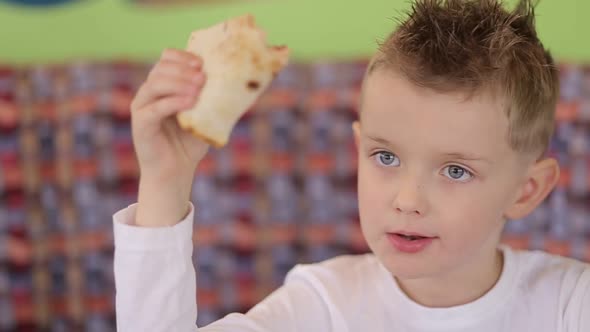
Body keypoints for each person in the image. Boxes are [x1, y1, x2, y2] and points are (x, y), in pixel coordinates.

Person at [112, 0, 590, 331]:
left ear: (526, 190)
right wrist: (164, 180)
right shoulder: (323, 305)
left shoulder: (571, 305)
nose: (406, 201)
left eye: (455, 170)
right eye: (386, 157)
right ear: (358, 148)